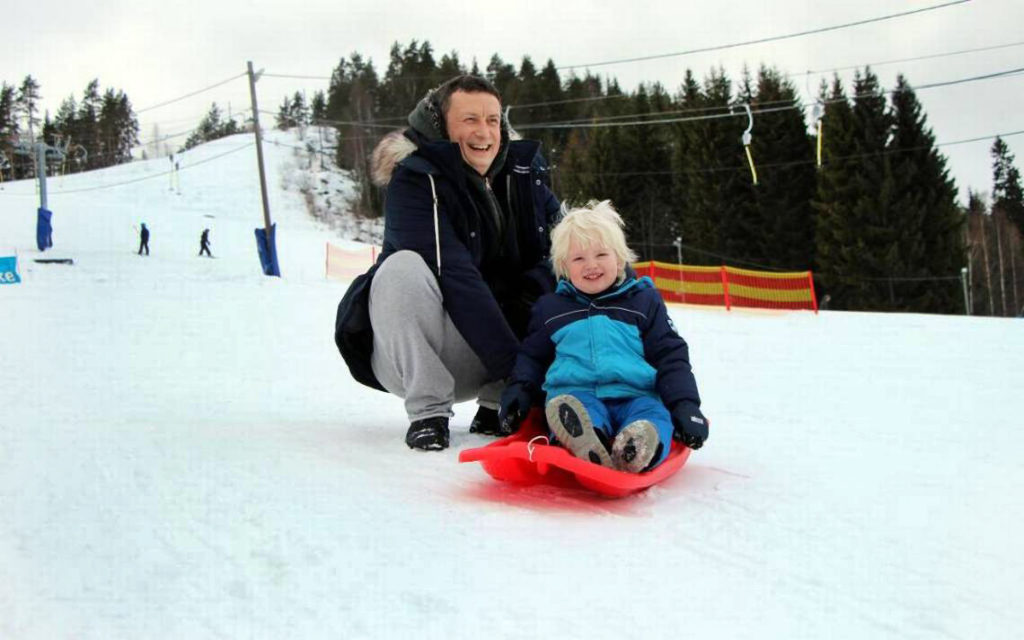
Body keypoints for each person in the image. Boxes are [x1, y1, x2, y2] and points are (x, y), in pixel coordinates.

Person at [334, 75, 561, 451]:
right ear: (441, 126)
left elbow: (574, 247)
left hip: (484, 357)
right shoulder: (415, 180)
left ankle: (497, 407)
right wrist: (523, 379)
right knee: (400, 270)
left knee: (555, 272)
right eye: (469, 119)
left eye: (492, 119)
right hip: (416, 353)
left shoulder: (524, 174)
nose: (484, 131)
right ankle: (428, 412)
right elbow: (456, 279)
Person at [497, 201, 708, 473]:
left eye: (601, 255)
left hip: (636, 394)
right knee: (573, 410)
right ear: (563, 266)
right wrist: (520, 390)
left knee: (652, 416)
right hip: (576, 394)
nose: (591, 265)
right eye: (578, 258)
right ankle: (585, 440)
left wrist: (684, 405)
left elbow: (670, 355)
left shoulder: (643, 302)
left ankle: (638, 446)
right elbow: (533, 357)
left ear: (619, 258)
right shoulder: (551, 308)